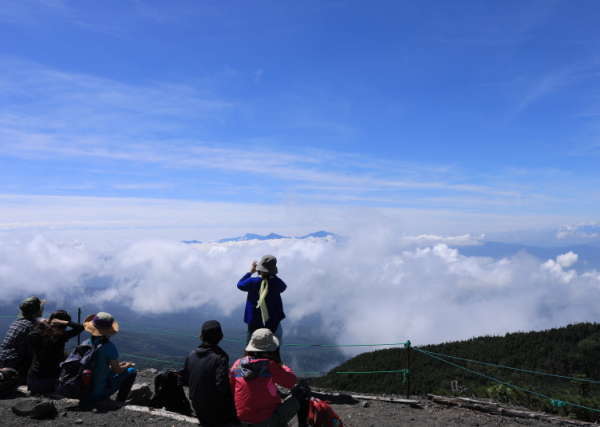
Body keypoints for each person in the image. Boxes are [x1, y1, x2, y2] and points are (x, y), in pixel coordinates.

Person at [229, 328, 299, 426]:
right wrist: (281, 365)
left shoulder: (238, 364)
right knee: (300, 394)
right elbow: (291, 381)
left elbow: (232, 389)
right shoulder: (270, 366)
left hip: (241, 419)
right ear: (270, 350)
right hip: (263, 421)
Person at [181, 320, 237, 426]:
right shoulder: (221, 357)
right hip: (213, 408)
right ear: (220, 336)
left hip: (196, 404)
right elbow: (221, 386)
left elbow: (185, 380)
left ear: (202, 336)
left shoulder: (191, 354)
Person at [82, 312, 137, 405]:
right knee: (132, 371)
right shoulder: (108, 346)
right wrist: (127, 366)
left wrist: (119, 365)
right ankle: (120, 401)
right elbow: (118, 371)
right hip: (98, 393)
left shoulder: (85, 343)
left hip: (82, 390)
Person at [27, 310, 83, 395]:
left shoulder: (37, 335)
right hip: (49, 380)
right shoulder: (62, 336)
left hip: (33, 380)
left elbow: (30, 335)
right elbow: (80, 327)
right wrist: (65, 322)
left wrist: (46, 324)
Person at [237, 255, 287, 345]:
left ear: (259, 269)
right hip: (273, 322)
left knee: (251, 345)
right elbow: (283, 287)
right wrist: (272, 275)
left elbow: (240, 285)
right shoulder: (276, 283)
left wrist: (250, 272)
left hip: (254, 321)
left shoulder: (252, 282)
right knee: (274, 346)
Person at [0, 296, 44, 382]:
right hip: (15, 364)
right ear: (37, 311)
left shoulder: (16, 322)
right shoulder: (32, 327)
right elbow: (34, 352)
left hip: (2, 359)